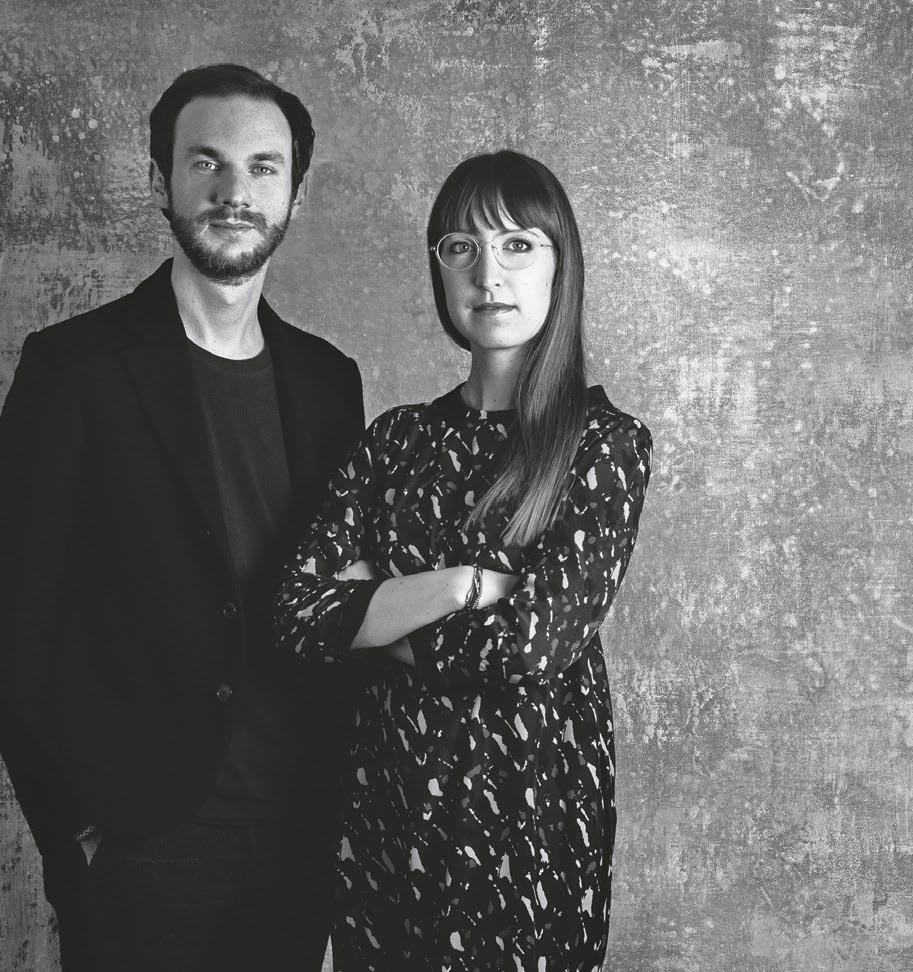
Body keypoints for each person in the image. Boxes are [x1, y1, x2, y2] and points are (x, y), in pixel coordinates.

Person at [0, 64, 363, 971]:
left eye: (263, 167)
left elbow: (340, 605)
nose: (234, 192)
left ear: (295, 194)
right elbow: (7, 622)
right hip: (140, 843)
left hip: (297, 833)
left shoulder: (328, 383)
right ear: (160, 181)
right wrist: (75, 827)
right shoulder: (74, 370)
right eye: (206, 163)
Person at [275, 149, 652, 971]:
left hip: (528, 817)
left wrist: (377, 616)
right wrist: (464, 585)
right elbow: (298, 615)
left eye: (518, 244)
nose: (489, 273)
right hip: (387, 811)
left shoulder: (602, 446)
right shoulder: (394, 439)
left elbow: (530, 647)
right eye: (461, 247)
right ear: (438, 268)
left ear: (560, 264)